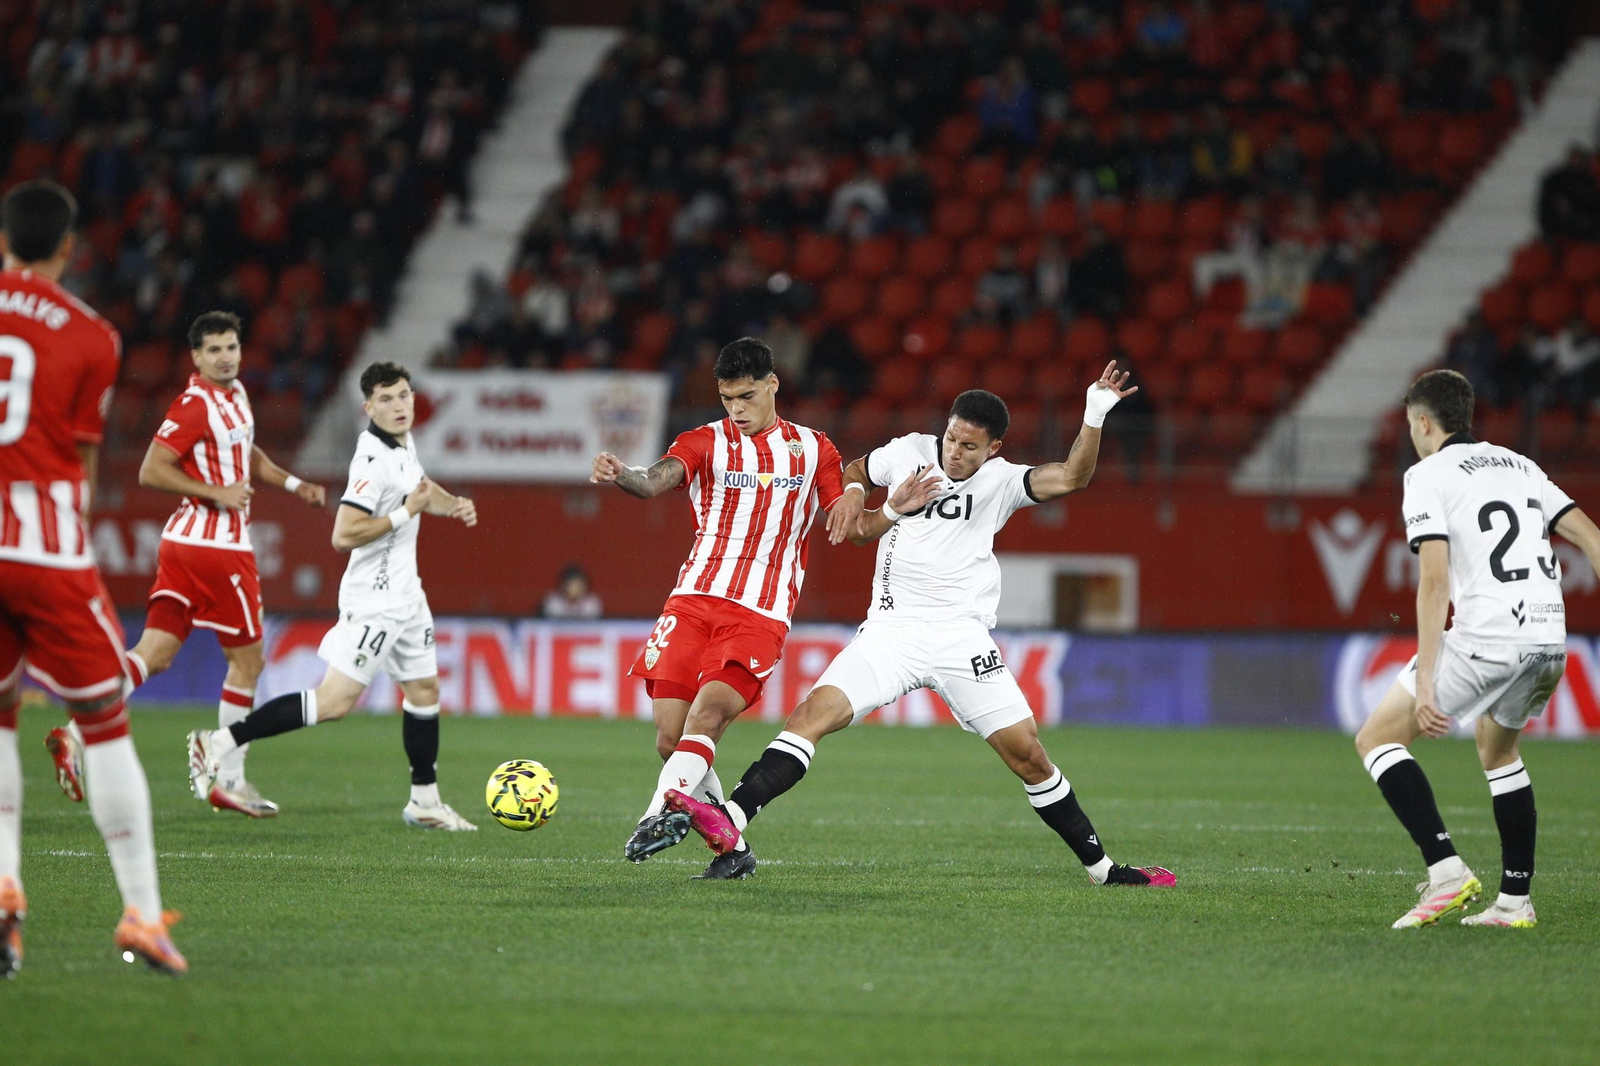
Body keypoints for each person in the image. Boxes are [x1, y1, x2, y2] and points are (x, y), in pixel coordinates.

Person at [662, 365, 1177, 887]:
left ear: (993, 449)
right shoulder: (909, 451)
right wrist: (857, 496)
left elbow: (1072, 476)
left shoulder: (1003, 482)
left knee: (1029, 756)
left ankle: (1102, 869)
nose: (955, 453)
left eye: (970, 447)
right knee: (811, 717)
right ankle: (730, 819)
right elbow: (855, 470)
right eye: (952, 438)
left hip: (962, 638)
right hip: (891, 632)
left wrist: (1093, 413)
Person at [0, 180, 186, 975]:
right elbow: (78, 464)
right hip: (43, 545)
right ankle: (142, 913)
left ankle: (6, 893)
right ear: (69, 246)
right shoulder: (91, 335)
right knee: (104, 722)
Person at [41, 312, 327, 821]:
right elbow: (152, 468)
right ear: (195, 357)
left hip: (180, 546)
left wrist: (292, 484)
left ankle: (76, 734)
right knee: (249, 663)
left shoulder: (235, 397)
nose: (225, 357)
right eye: (213, 349)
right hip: (217, 549)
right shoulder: (195, 404)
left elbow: (246, 452)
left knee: (154, 653)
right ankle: (227, 774)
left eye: (232, 347)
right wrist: (215, 492)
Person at [588, 337, 856, 875]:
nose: (737, 410)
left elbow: (845, 516)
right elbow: (654, 480)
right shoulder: (705, 441)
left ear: (773, 385)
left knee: (707, 717)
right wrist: (624, 475)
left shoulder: (814, 449)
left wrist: (863, 499)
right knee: (672, 739)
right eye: (727, 399)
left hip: (758, 611)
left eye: (747, 396)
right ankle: (732, 850)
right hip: (690, 602)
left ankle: (656, 816)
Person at [1354, 369, 1600, 929]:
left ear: (1422, 421)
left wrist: (1424, 681)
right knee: (1497, 750)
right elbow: (1590, 537)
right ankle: (1515, 902)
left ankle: (1445, 874)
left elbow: (1435, 582)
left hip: (1488, 635)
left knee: (1377, 738)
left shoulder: (1426, 475)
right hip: (1547, 638)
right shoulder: (1522, 465)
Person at [187, 362, 480, 830]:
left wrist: (450, 505)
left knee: (424, 690)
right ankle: (219, 742)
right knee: (334, 703)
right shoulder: (370, 461)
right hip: (374, 602)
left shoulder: (403, 442)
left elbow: (421, 488)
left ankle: (424, 801)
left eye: (403, 395)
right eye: (386, 399)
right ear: (368, 407)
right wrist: (408, 512)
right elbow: (344, 534)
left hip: (408, 596)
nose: (399, 405)